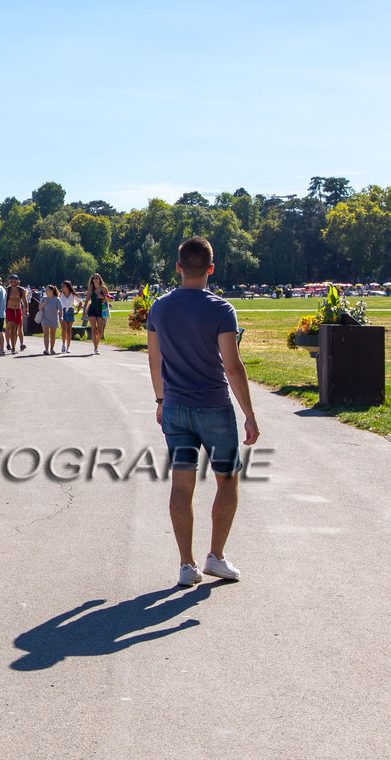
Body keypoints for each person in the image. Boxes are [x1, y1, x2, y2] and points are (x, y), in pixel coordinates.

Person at [147, 237, 259, 587]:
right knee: (227, 478)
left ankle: (186, 564)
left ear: (178, 267)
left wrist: (160, 400)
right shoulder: (221, 309)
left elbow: (155, 360)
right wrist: (250, 414)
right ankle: (216, 556)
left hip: (176, 407)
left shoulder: (159, 307)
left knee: (182, 483)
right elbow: (233, 365)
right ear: (211, 268)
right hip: (213, 406)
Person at [85, 273, 111, 353]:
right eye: (94, 278)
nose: (95, 279)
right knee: (93, 329)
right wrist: (84, 311)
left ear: (100, 279)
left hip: (101, 309)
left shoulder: (104, 288)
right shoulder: (91, 288)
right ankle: (95, 347)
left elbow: (109, 299)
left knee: (100, 330)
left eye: (97, 278)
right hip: (92, 309)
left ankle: (97, 344)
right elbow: (87, 299)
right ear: (92, 280)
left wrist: (102, 297)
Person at [5, 275, 27, 353]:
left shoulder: (21, 290)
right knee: (12, 327)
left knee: (17, 328)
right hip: (9, 309)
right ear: (10, 282)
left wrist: (27, 310)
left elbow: (24, 301)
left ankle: (15, 344)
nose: (13, 283)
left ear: (18, 281)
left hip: (17, 309)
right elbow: (4, 300)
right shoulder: (8, 290)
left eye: (15, 281)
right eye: (12, 281)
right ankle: (13, 347)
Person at [38, 285, 61, 354]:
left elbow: (60, 309)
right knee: (46, 334)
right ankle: (46, 349)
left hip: (54, 319)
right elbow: (39, 308)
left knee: (53, 335)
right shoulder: (44, 299)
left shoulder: (56, 299)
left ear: (51, 291)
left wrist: (61, 316)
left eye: (47, 290)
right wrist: (43, 304)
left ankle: (52, 349)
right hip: (45, 319)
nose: (46, 291)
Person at [58, 280, 76, 353]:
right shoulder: (60, 294)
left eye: (64, 286)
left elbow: (80, 303)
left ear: (68, 287)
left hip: (70, 311)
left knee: (69, 331)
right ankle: (63, 344)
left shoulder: (72, 294)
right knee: (64, 329)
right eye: (62, 286)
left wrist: (77, 311)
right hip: (63, 311)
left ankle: (68, 347)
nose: (62, 288)